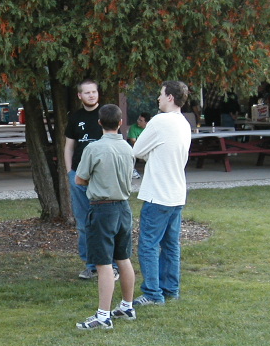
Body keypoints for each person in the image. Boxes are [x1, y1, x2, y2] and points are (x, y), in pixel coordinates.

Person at [74, 104, 136, 330]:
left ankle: (103, 315)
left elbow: (80, 179)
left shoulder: (94, 148)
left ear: (99, 122)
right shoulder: (128, 148)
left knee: (103, 263)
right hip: (123, 208)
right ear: (120, 123)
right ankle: (127, 306)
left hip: (102, 209)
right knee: (123, 258)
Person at [132, 81, 192, 306]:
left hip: (158, 194)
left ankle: (152, 293)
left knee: (148, 244)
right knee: (171, 245)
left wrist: (152, 153)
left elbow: (137, 150)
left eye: (161, 94)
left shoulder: (160, 121)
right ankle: (170, 289)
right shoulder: (184, 123)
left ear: (170, 97)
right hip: (176, 193)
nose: (158, 98)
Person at [64, 79, 119, 282]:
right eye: (86, 92)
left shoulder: (106, 116)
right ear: (80, 95)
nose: (91, 95)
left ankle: (111, 266)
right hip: (79, 177)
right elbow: (69, 147)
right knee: (84, 222)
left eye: (94, 92)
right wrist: (70, 172)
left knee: (105, 222)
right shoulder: (75, 117)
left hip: (103, 179)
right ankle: (91, 266)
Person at [126, 112, 150, 179]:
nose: (138, 121)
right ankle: (132, 170)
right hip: (136, 147)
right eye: (138, 119)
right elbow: (133, 141)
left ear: (146, 122)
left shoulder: (150, 128)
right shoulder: (133, 127)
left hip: (148, 147)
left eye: (140, 120)